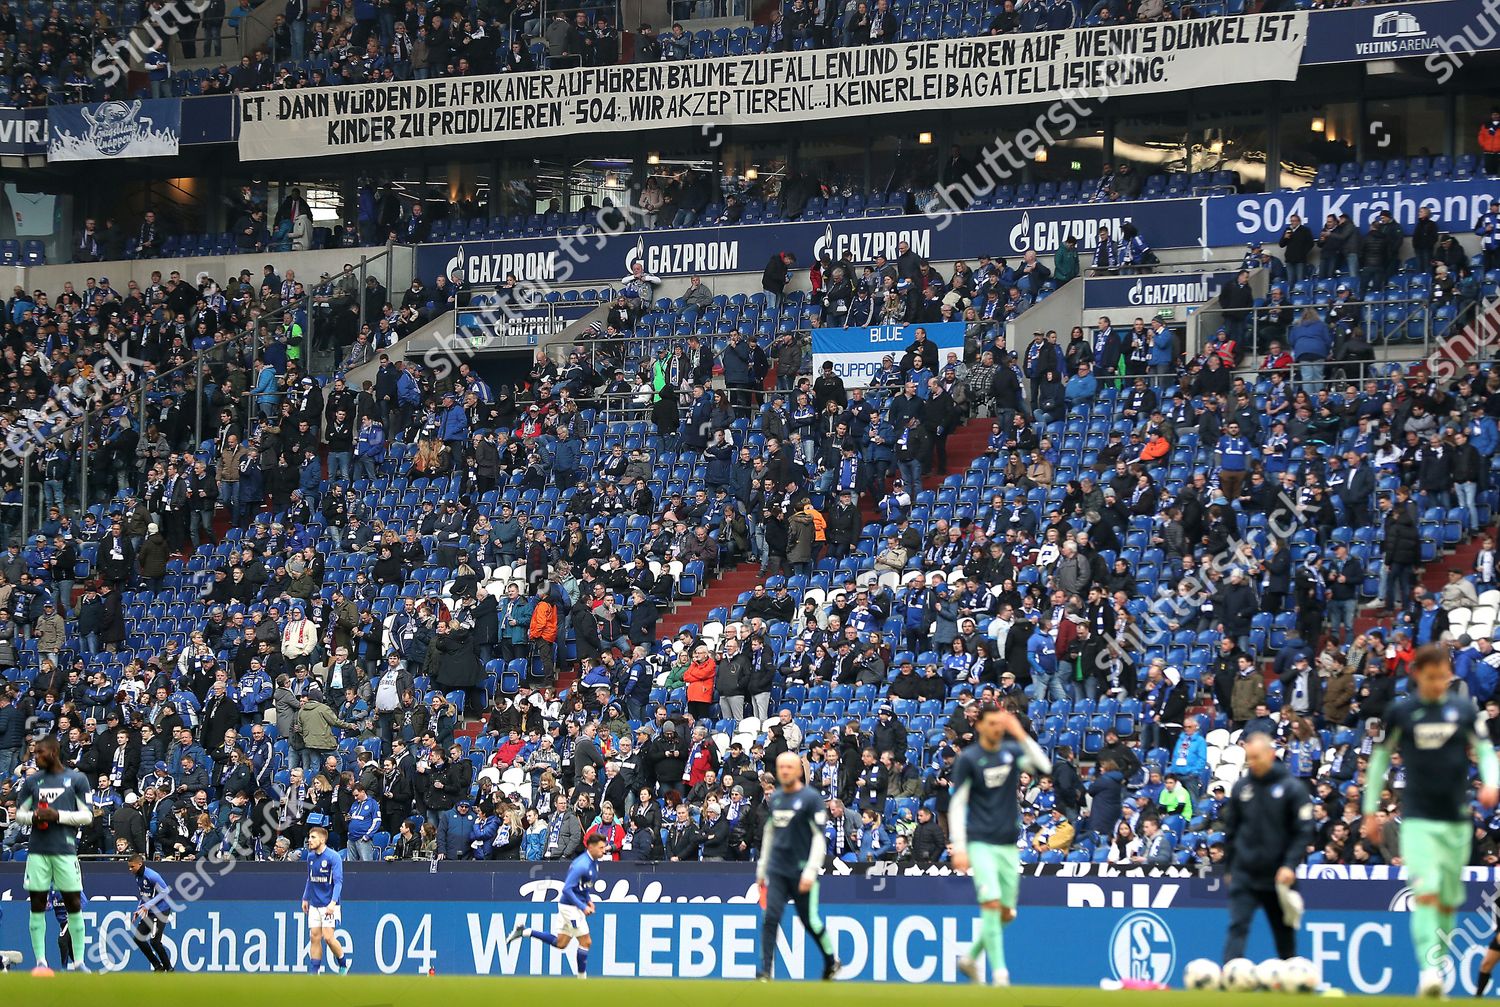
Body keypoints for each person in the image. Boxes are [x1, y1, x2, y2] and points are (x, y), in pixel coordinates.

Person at [1363, 644, 1500, 997]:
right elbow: (1379, 761)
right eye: (1431, 676)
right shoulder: (1402, 712)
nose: (1438, 682)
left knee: (1446, 899)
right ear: (1418, 675)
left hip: (1456, 819)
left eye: (1443, 675)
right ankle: (1430, 969)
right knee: (1425, 893)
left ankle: (1435, 957)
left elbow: (1484, 749)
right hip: (1419, 820)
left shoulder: (1463, 710)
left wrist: (1492, 781)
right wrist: (1369, 810)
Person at [950, 704, 1052, 987]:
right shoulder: (969, 759)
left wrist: (1019, 732)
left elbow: (1044, 767)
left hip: (1009, 845)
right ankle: (1000, 976)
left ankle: (970, 957)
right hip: (981, 842)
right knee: (992, 904)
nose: (997, 728)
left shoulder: (1011, 752)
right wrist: (959, 846)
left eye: (1000, 724)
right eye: (992, 723)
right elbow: (958, 803)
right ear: (979, 725)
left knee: (1006, 912)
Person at [1220, 734, 1313, 964]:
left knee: (1284, 932)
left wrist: (1290, 865)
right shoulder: (1242, 787)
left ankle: (1291, 978)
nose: (1253, 762)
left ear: (1271, 755)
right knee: (1237, 926)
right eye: (1249, 758)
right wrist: (1230, 867)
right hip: (1245, 873)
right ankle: (1231, 978)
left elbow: (1303, 832)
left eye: (1256, 757)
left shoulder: (1293, 789)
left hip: (1279, 875)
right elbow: (1231, 830)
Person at [755, 751, 840, 981]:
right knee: (770, 917)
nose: (784, 771)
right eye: (781, 767)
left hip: (802, 870)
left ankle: (831, 960)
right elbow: (770, 833)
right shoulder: (778, 798)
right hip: (778, 870)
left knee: (810, 921)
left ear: (798, 770)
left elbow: (819, 838)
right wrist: (762, 869)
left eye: (789, 767)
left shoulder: (811, 799)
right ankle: (764, 970)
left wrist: (811, 871)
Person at [16, 734, 92, 974]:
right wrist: (34, 817)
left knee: (73, 903)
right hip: (37, 851)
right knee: (37, 904)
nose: (35, 757)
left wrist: (57, 816)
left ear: (54, 752)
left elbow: (87, 816)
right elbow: (18, 814)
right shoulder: (32, 782)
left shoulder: (77, 779)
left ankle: (78, 962)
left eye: (40, 753)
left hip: (65, 850)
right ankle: (40, 962)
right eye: (34, 753)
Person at [507, 832, 608, 976]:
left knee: (561, 943)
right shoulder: (581, 865)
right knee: (586, 942)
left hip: (573, 906)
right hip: (570, 907)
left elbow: (584, 886)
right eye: (601, 847)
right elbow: (567, 889)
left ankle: (524, 932)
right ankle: (582, 981)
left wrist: (589, 900)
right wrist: (583, 906)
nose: (604, 850)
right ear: (590, 847)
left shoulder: (594, 862)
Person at [302, 826, 351, 974]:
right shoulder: (310, 857)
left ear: (322, 839)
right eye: (309, 837)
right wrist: (305, 898)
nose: (309, 841)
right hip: (315, 904)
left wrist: (333, 903)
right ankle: (314, 972)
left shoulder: (333, 857)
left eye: (313, 837)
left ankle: (343, 962)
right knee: (314, 936)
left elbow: (338, 882)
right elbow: (310, 879)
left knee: (328, 938)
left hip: (329, 904)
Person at [128, 854, 175, 971]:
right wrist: (139, 909)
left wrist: (148, 906)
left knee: (155, 942)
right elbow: (144, 895)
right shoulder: (138, 876)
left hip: (160, 910)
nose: (130, 869)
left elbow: (165, 891)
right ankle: (157, 966)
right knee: (138, 938)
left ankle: (169, 968)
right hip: (149, 911)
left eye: (132, 867)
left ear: (140, 864)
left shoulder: (152, 875)